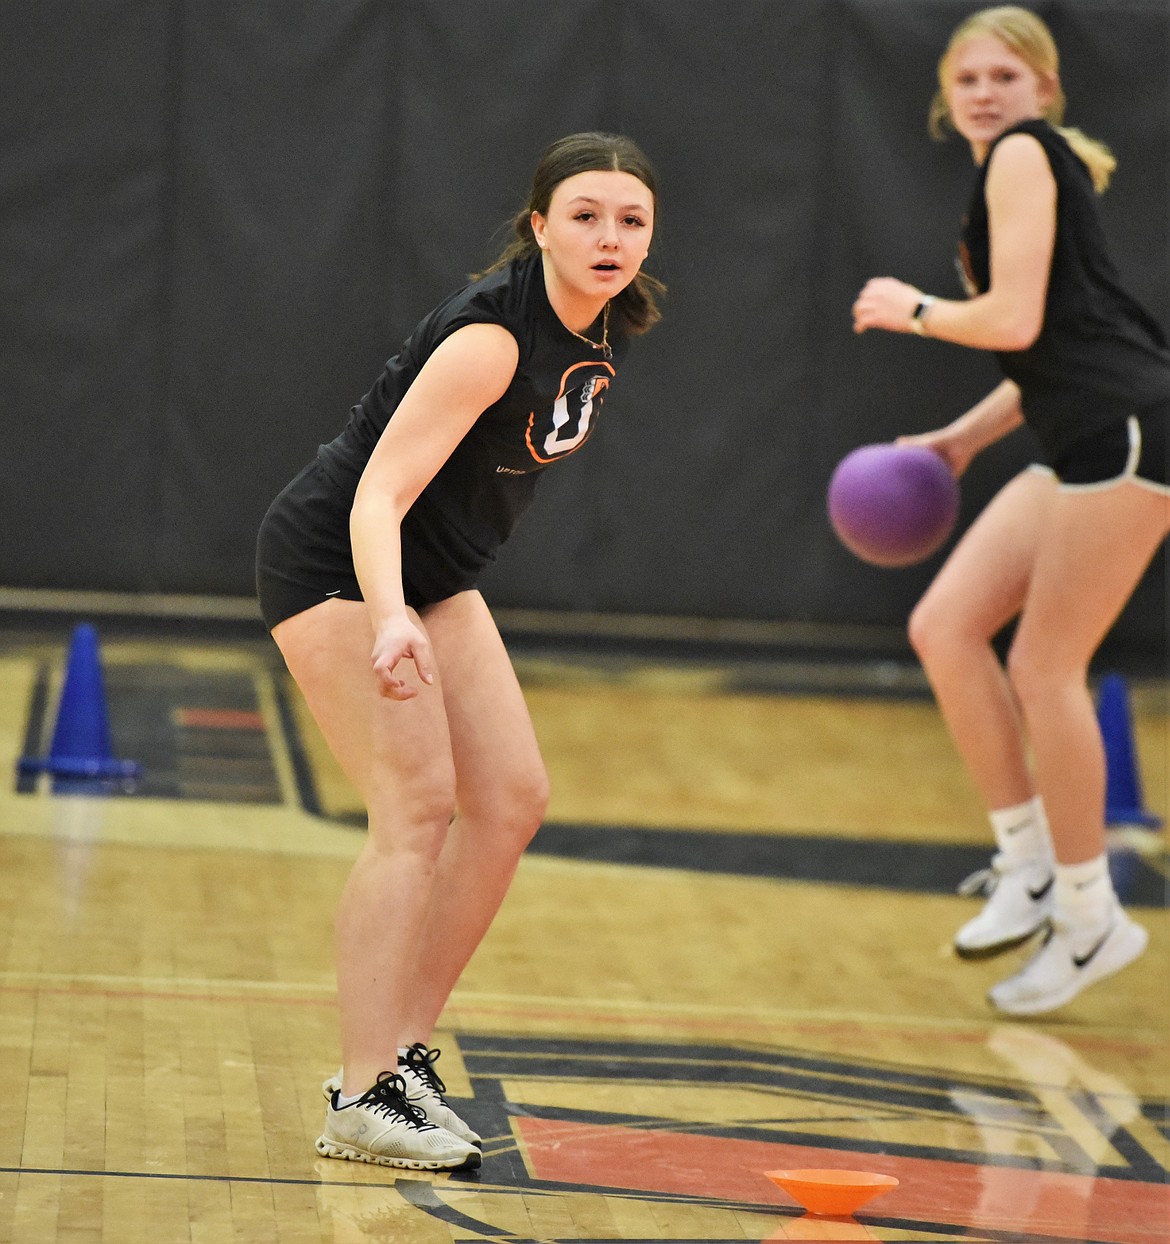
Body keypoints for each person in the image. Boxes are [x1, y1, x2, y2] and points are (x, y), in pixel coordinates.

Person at [256, 131, 663, 1167]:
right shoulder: (493, 338)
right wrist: (389, 612)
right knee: (415, 808)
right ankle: (357, 1095)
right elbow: (378, 492)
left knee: (513, 799)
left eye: (630, 219)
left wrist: (417, 596)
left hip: (431, 574)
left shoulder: (603, 323)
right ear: (539, 227)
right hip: (344, 562)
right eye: (584, 215)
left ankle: (398, 1049)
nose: (609, 235)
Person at [851, 6, 1170, 1017]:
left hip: (1129, 431)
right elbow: (1049, 346)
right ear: (948, 95)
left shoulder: (1025, 156)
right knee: (944, 626)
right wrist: (958, 442)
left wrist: (909, 308)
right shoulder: (1011, 175)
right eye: (969, 77)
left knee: (1044, 664)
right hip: (1085, 426)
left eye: (1007, 75)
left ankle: (1089, 914)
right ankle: (1029, 864)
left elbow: (1015, 321)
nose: (987, 91)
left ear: (1044, 91)